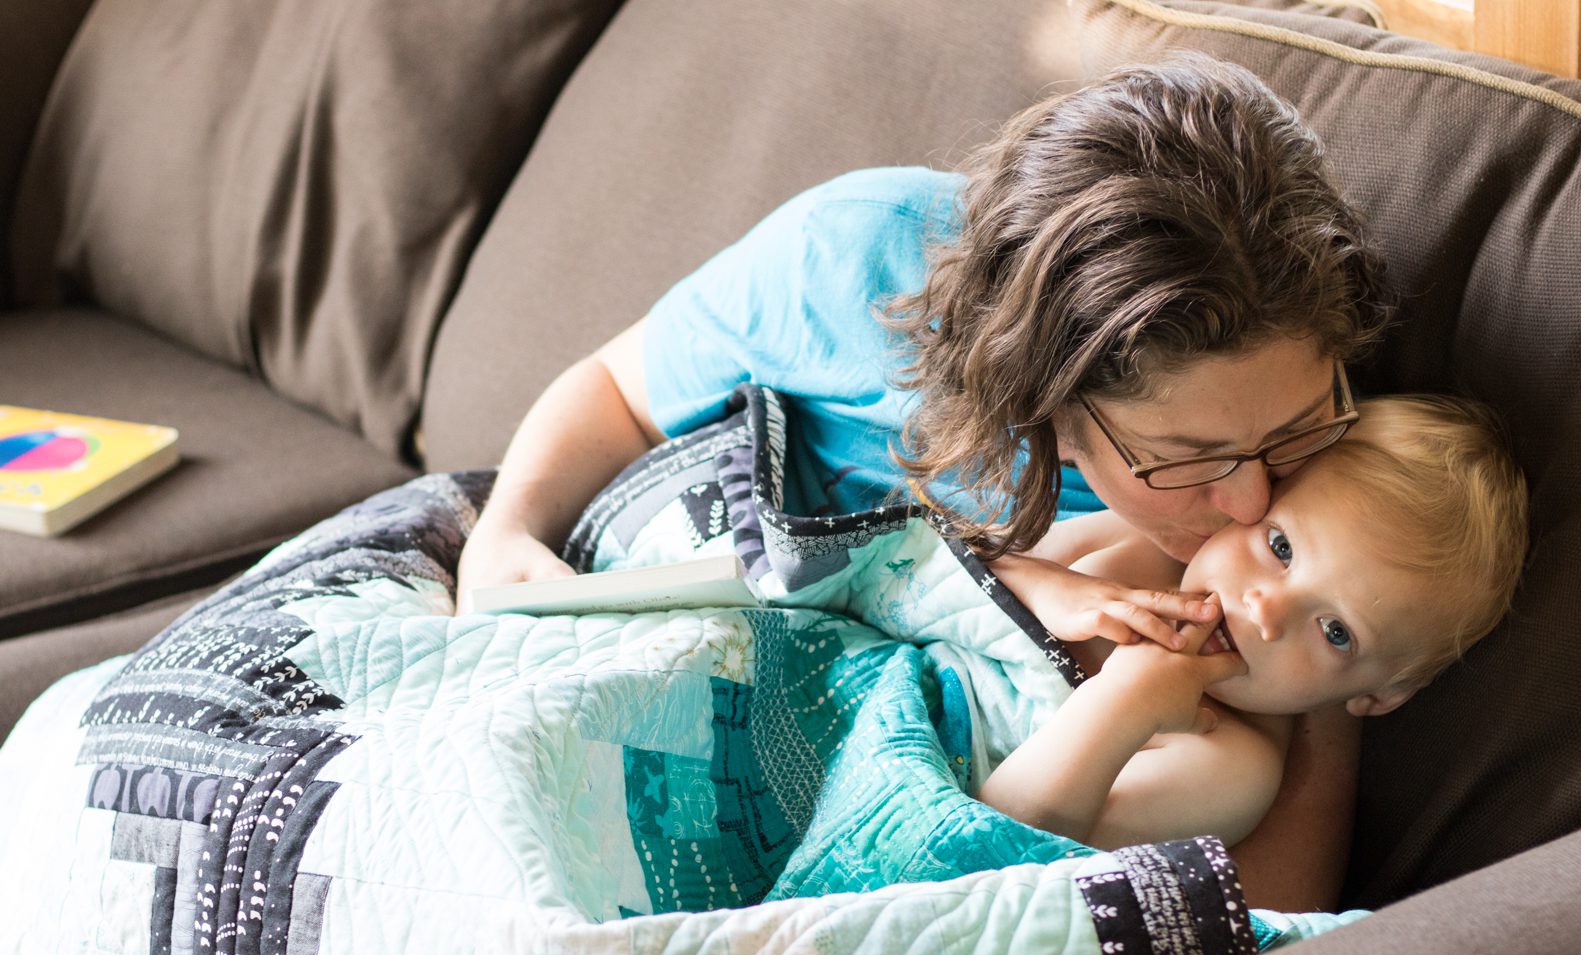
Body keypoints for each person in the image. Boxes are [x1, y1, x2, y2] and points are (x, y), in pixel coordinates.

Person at [455, 56, 1392, 908]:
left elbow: (1269, 910)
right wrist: (508, 530)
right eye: (1186, 457)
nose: (1253, 502)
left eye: (1292, 431)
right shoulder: (850, 257)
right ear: (1048, 400)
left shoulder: (1324, 473)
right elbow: (619, 390)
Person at [979, 395, 1529, 851]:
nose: (1265, 611)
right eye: (1281, 546)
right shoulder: (1149, 549)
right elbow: (958, 562)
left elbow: (996, 844)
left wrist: (1126, 701)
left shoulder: (1229, 768)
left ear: (1380, 695)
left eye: (1336, 631)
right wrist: (1042, 584)